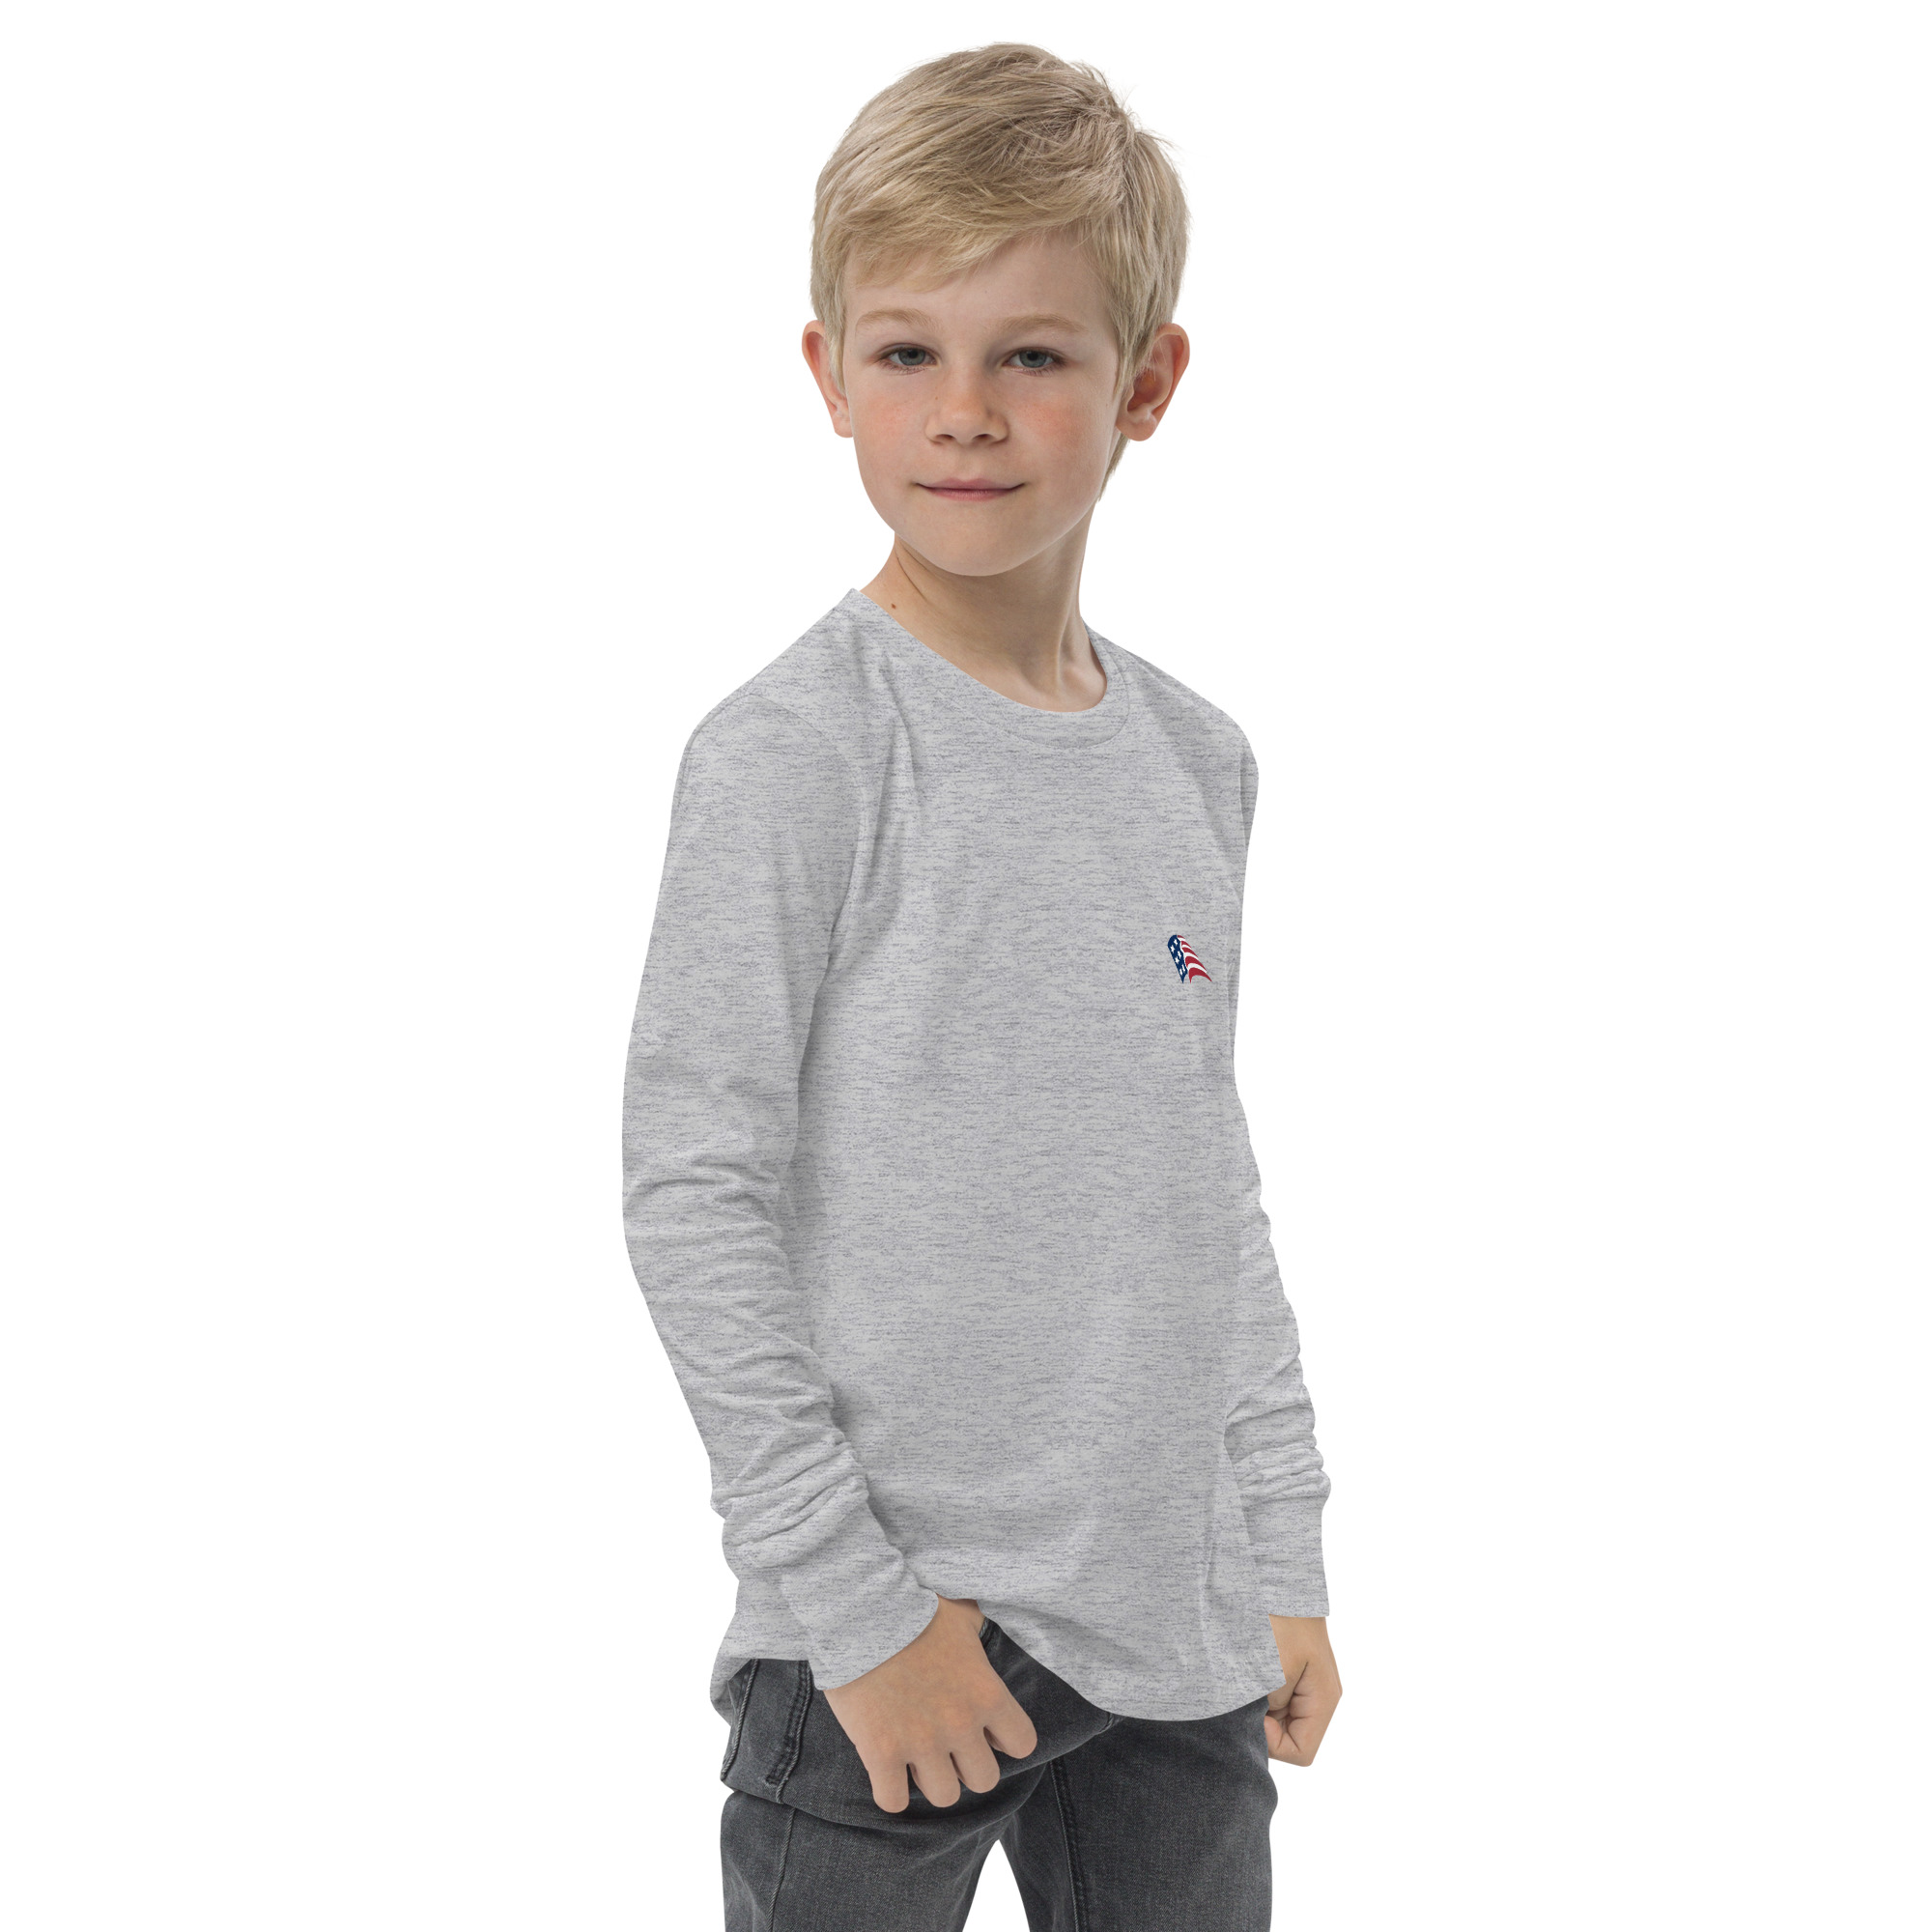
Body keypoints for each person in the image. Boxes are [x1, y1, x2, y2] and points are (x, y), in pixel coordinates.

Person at [623, 43, 1341, 1931]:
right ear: (826, 374)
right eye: (906, 351)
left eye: (1029, 354)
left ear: (1145, 382)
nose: (962, 412)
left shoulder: (1197, 763)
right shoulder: (793, 755)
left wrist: (1277, 1544)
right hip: (891, 1642)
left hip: (1175, 1643)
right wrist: (859, 1615)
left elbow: (1202, 1181)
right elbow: (692, 1194)